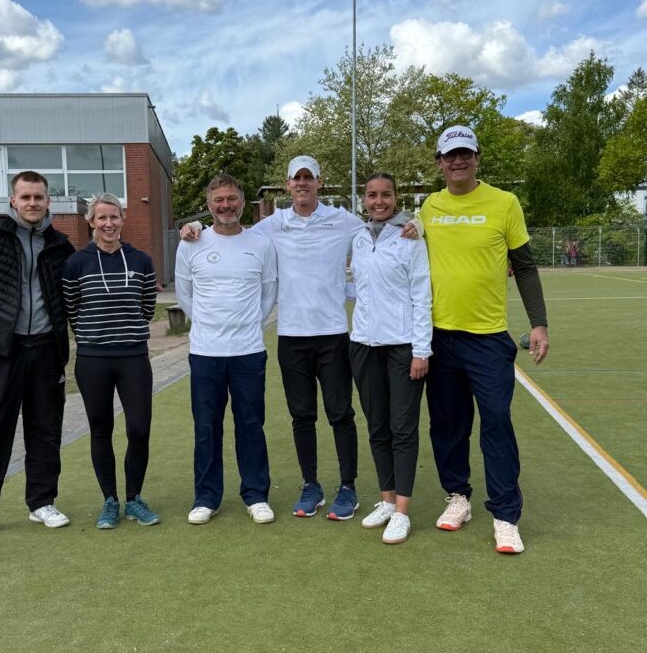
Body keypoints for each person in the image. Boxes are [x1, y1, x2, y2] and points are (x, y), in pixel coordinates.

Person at [181, 156, 421, 522]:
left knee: (340, 414)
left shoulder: (343, 221)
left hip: (334, 335)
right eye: (297, 178)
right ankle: (311, 485)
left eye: (309, 177)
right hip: (291, 337)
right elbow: (231, 229)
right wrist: (195, 225)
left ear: (319, 182)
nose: (303, 183)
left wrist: (415, 221)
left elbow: (380, 220)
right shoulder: (270, 226)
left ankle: (348, 487)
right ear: (288, 184)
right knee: (302, 416)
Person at [422, 125, 550, 555]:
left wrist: (538, 324)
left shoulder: (504, 202)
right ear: (439, 163)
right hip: (439, 337)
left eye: (465, 154)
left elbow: (525, 266)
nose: (458, 161)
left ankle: (505, 515)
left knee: (496, 422)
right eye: (450, 155)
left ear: (477, 158)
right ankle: (458, 496)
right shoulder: (429, 207)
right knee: (447, 425)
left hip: (489, 339)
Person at [0, 171, 75, 545]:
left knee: (45, 429)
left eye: (39, 197)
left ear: (48, 201)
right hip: (4, 353)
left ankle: (42, 502)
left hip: (47, 351)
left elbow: (72, 292)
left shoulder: (60, 245)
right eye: (26, 197)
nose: (32, 203)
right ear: (13, 200)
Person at [175, 174, 278, 524]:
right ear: (209, 205)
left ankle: (256, 494)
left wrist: (246, 325)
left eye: (232, 199)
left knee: (250, 423)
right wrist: (210, 325)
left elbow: (269, 293)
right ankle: (206, 497)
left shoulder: (261, 244)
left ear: (242, 202)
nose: (226, 206)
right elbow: (185, 294)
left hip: (248, 351)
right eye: (218, 200)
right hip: (206, 352)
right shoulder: (191, 242)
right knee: (206, 426)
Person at [62, 193, 160, 530]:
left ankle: (134, 499)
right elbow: (72, 309)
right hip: (93, 359)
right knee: (101, 429)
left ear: (122, 219)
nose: (108, 223)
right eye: (101, 217)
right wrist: (94, 334)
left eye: (114, 216)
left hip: (133, 357)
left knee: (139, 429)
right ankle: (110, 500)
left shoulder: (141, 260)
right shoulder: (76, 263)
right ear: (91, 221)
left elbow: (147, 308)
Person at [349, 174, 432, 545]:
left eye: (385, 195)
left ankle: (402, 511)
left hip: (403, 347)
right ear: (364, 199)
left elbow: (422, 296)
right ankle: (386, 500)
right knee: (377, 427)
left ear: (396, 197)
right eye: (372, 195)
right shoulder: (358, 237)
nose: (378, 201)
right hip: (363, 346)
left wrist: (421, 350)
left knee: (403, 429)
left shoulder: (411, 237)